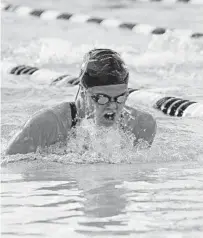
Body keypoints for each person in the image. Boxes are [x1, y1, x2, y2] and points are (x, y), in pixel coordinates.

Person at [5, 49, 157, 155]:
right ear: (84, 92)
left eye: (120, 98)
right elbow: (10, 167)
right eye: (102, 98)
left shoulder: (141, 125)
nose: (112, 106)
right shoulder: (47, 124)